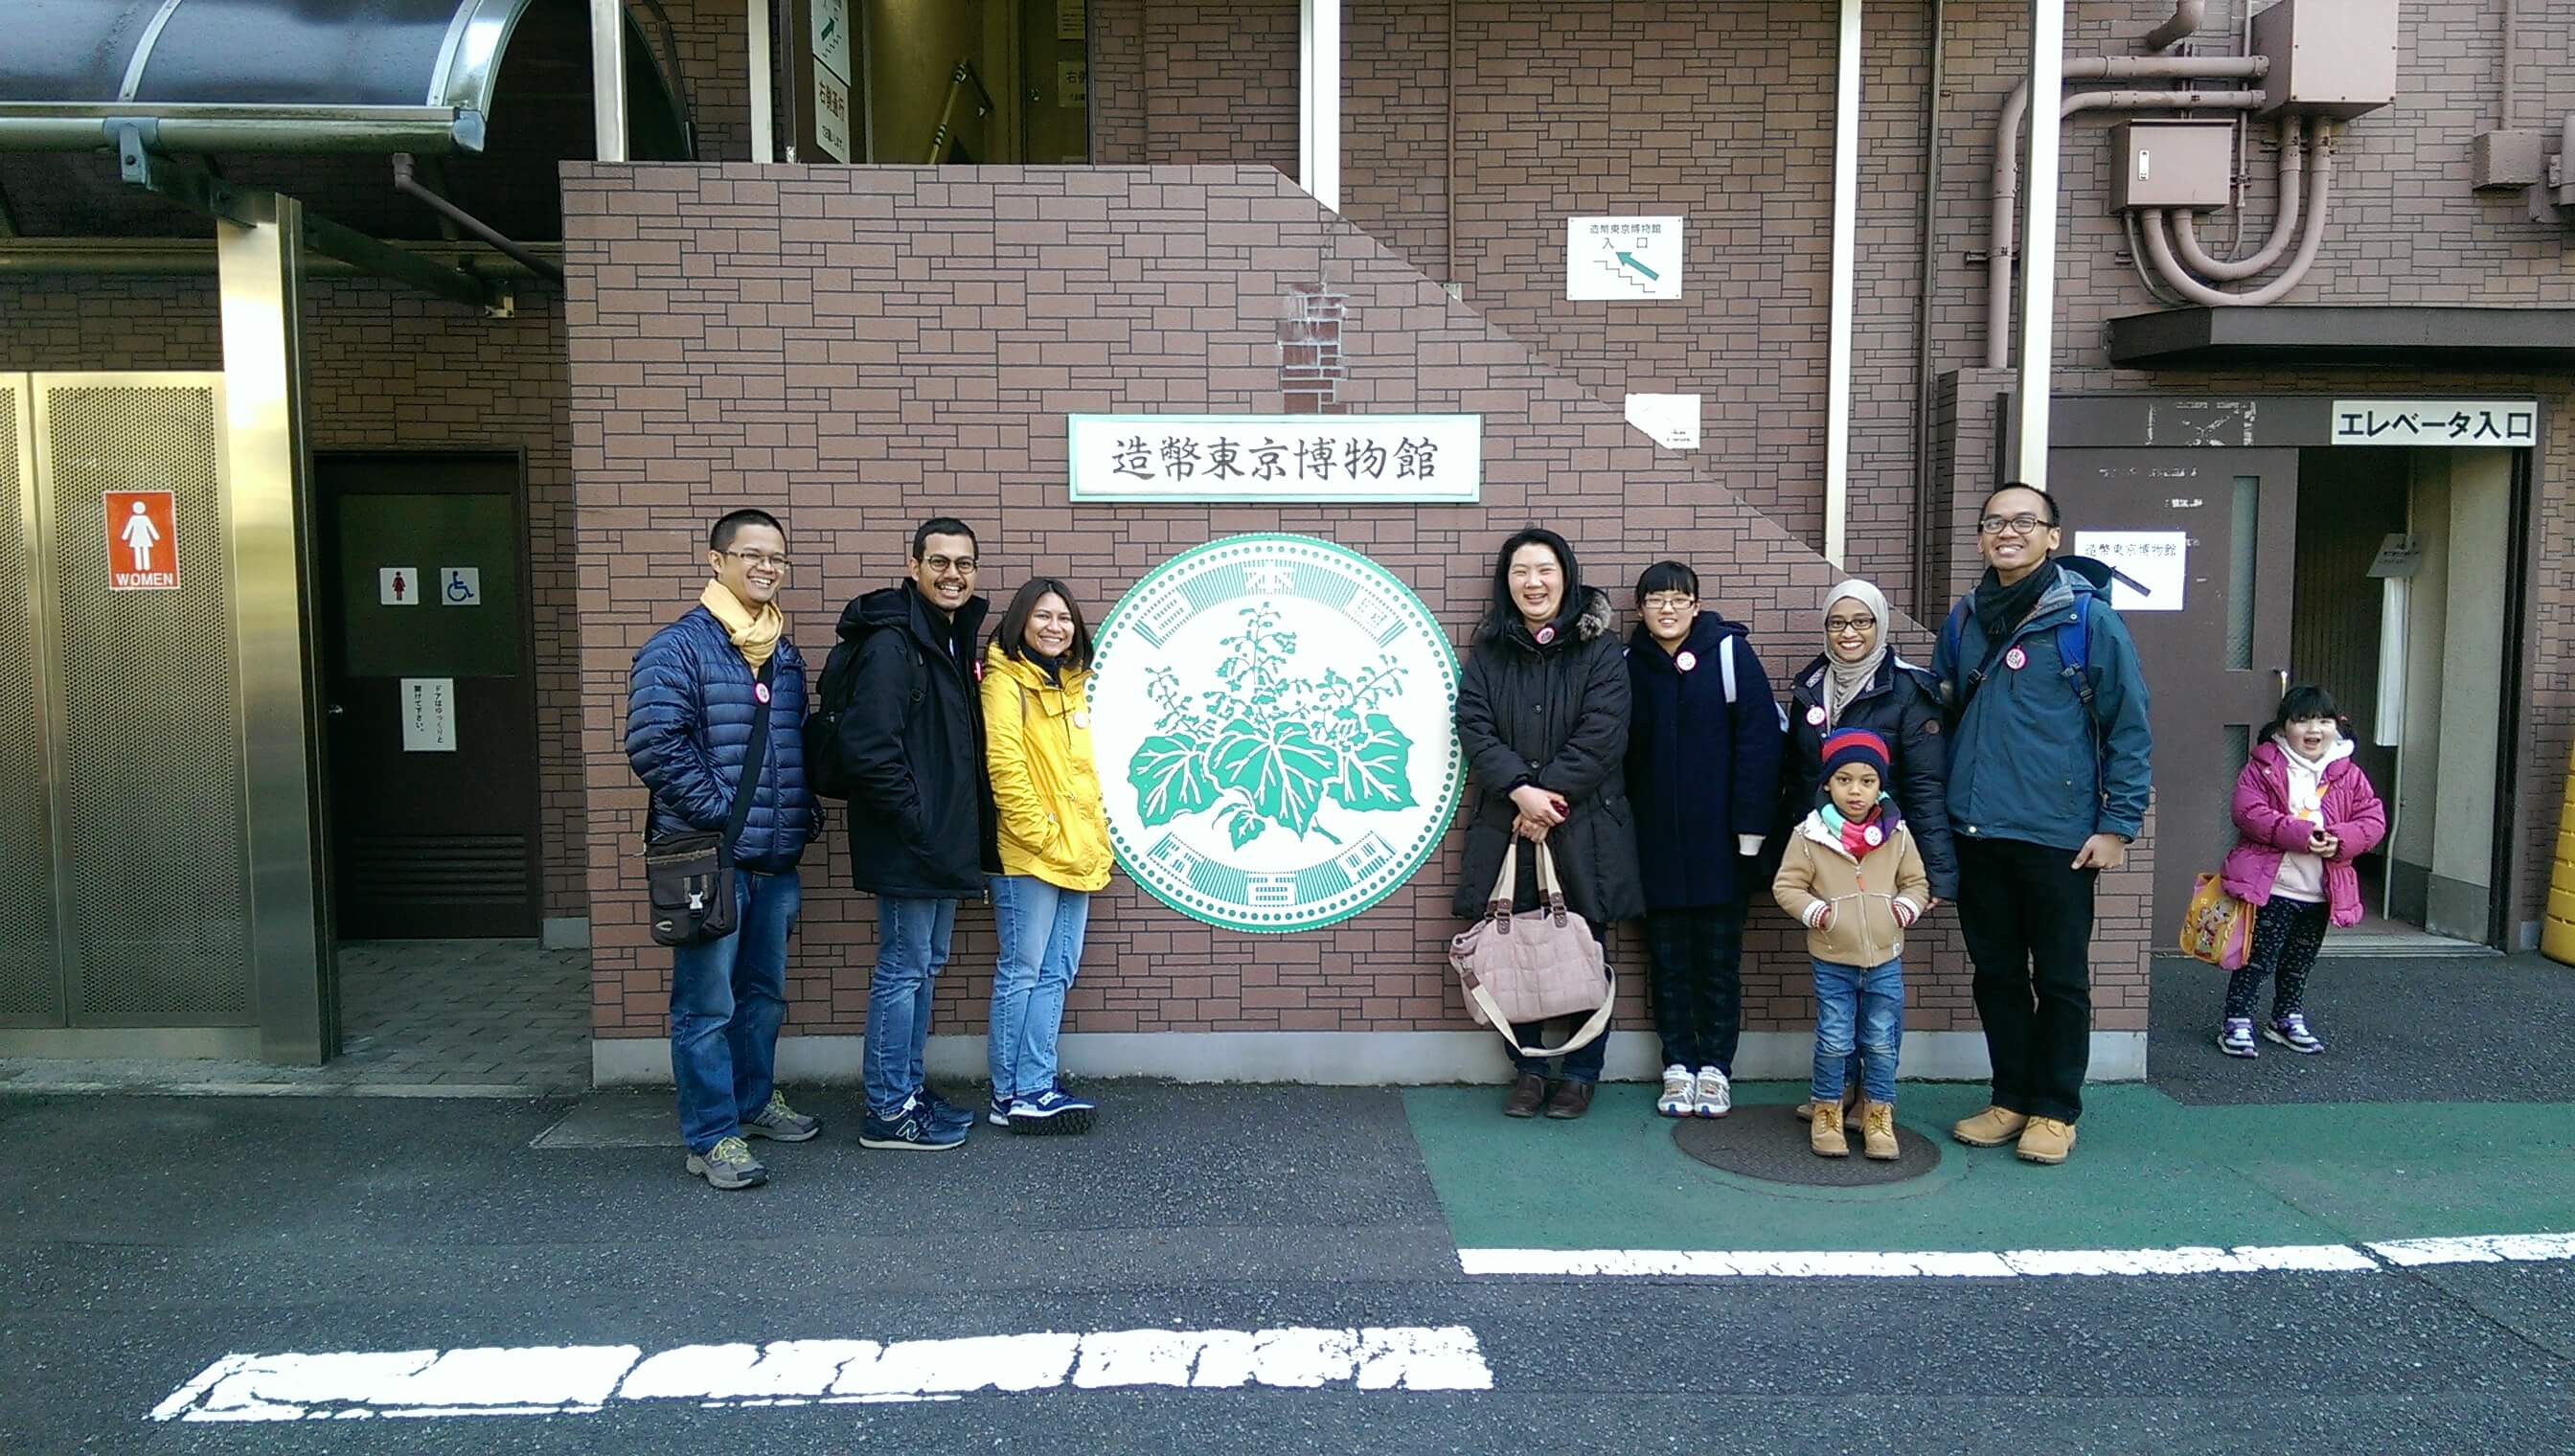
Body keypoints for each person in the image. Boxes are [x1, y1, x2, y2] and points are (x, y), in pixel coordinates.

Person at [1933, 483, 2152, 1167]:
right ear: (1979, 538)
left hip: (2060, 836)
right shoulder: (1966, 619)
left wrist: (2118, 824)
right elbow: (1940, 715)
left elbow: (2130, 729)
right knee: (1995, 973)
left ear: (2053, 536)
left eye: (2025, 521)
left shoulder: (2087, 620)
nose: (2008, 531)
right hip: (1977, 831)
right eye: (1995, 522)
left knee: (2060, 978)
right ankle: (2011, 1098)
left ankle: (2056, 1108)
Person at [625, 509, 821, 1190]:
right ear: (716, 562)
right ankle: (711, 1136)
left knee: (762, 996)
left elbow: (789, 749)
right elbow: (654, 745)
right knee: (706, 1005)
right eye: (751, 555)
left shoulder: (783, 654)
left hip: (774, 860)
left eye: (777, 558)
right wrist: (724, 818)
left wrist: (799, 815)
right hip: (708, 861)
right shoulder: (678, 648)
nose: (766, 567)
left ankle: (752, 1101)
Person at [1453, 528, 1644, 1121]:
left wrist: (1547, 800)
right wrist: (1519, 790)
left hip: (1584, 823)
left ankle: (1581, 1073)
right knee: (1518, 942)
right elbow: (1473, 725)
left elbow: (1604, 731)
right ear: (1505, 582)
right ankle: (1530, 1070)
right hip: (1510, 816)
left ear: (1567, 574)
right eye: (1520, 572)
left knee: (1582, 946)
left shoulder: (1602, 650)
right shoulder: (1489, 651)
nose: (1533, 583)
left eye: (1544, 570)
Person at [831, 517, 996, 1152]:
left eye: (964, 564)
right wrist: (919, 823)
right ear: (914, 565)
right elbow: (870, 749)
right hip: (912, 843)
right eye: (939, 562)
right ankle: (887, 1110)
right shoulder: (892, 643)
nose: (952, 574)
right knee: (902, 971)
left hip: (937, 841)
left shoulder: (946, 636)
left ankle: (907, 1089)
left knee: (925, 967)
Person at [1784, 577, 1958, 1123]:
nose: (1849, 633)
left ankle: (1869, 1098)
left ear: (1880, 624)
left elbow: (1926, 786)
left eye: (1861, 621)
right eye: (1838, 622)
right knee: (1837, 987)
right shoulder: (1810, 685)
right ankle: (1832, 1094)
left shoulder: (1909, 690)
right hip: (1826, 857)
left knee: (1876, 990)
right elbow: (1799, 776)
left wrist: (1936, 873)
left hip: (1886, 856)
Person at [1623, 560, 1782, 1120]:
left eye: (1678, 599)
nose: (1667, 609)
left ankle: (1715, 1070)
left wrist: (1750, 834)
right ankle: (1677, 1066)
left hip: (1723, 847)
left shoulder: (1730, 654)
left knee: (1718, 964)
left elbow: (1761, 746)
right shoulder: (1626, 665)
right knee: (1666, 964)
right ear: (1640, 610)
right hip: (1654, 848)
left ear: (1696, 605)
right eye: (1655, 600)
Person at [981, 578, 1111, 1133]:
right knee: (1023, 970)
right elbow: (1005, 767)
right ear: (1021, 622)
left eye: (1064, 618)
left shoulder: (1073, 683)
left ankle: (1036, 1082)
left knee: (1058, 970)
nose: (1055, 627)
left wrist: (1080, 840)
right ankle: (1008, 1093)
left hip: (1076, 851)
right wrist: (1043, 834)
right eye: (1043, 616)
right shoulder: (1005, 680)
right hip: (1027, 854)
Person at [1772, 729, 1929, 1161]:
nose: (1855, 791)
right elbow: (1787, 886)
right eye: (1844, 780)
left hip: (1885, 958)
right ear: (1827, 783)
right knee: (1835, 1039)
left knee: (1880, 1040)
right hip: (1833, 958)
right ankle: (1827, 1109)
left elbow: (1916, 882)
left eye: (1867, 781)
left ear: (1880, 785)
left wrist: (1903, 910)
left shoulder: (1896, 833)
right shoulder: (1810, 834)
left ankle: (1878, 1113)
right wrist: (1819, 914)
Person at [2214, 685, 2387, 1058]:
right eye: (2303, 720)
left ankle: (2286, 1017)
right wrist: (2303, 836)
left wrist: (2339, 840)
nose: (2314, 730)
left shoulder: (2349, 773)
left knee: (2299, 962)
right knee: (2256, 957)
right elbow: (2248, 812)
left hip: (2322, 891)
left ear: (2336, 726)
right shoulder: (2264, 766)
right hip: (2273, 886)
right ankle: (2237, 1020)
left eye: (2324, 721)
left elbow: (2372, 820)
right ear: (2284, 725)